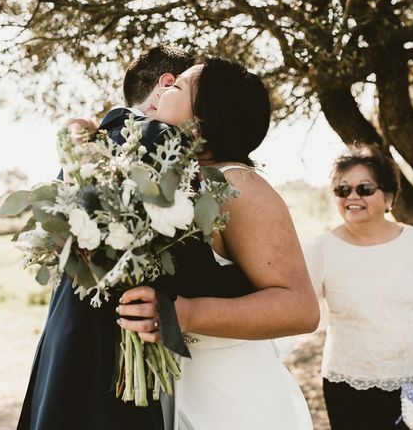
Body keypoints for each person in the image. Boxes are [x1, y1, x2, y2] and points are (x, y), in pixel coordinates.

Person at [17, 47, 254, 430]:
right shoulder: (154, 138)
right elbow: (182, 264)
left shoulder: (93, 147)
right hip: (108, 364)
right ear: (164, 87)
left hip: (65, 348)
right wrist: (248, 279)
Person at [116, 57, 319, 430]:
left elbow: (301, 309)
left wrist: (187, 314)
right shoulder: (165, 178)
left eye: (177, 86)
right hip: (177, 390)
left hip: (233, 401)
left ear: (205, 116)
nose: (165, 86)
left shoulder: (237, 186)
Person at [301, 143, 413, 430]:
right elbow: (300, 309)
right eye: (343, 190)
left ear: (389, 197)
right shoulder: (321, 250)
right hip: (347, 384)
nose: (352, 197)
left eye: (364, 189)